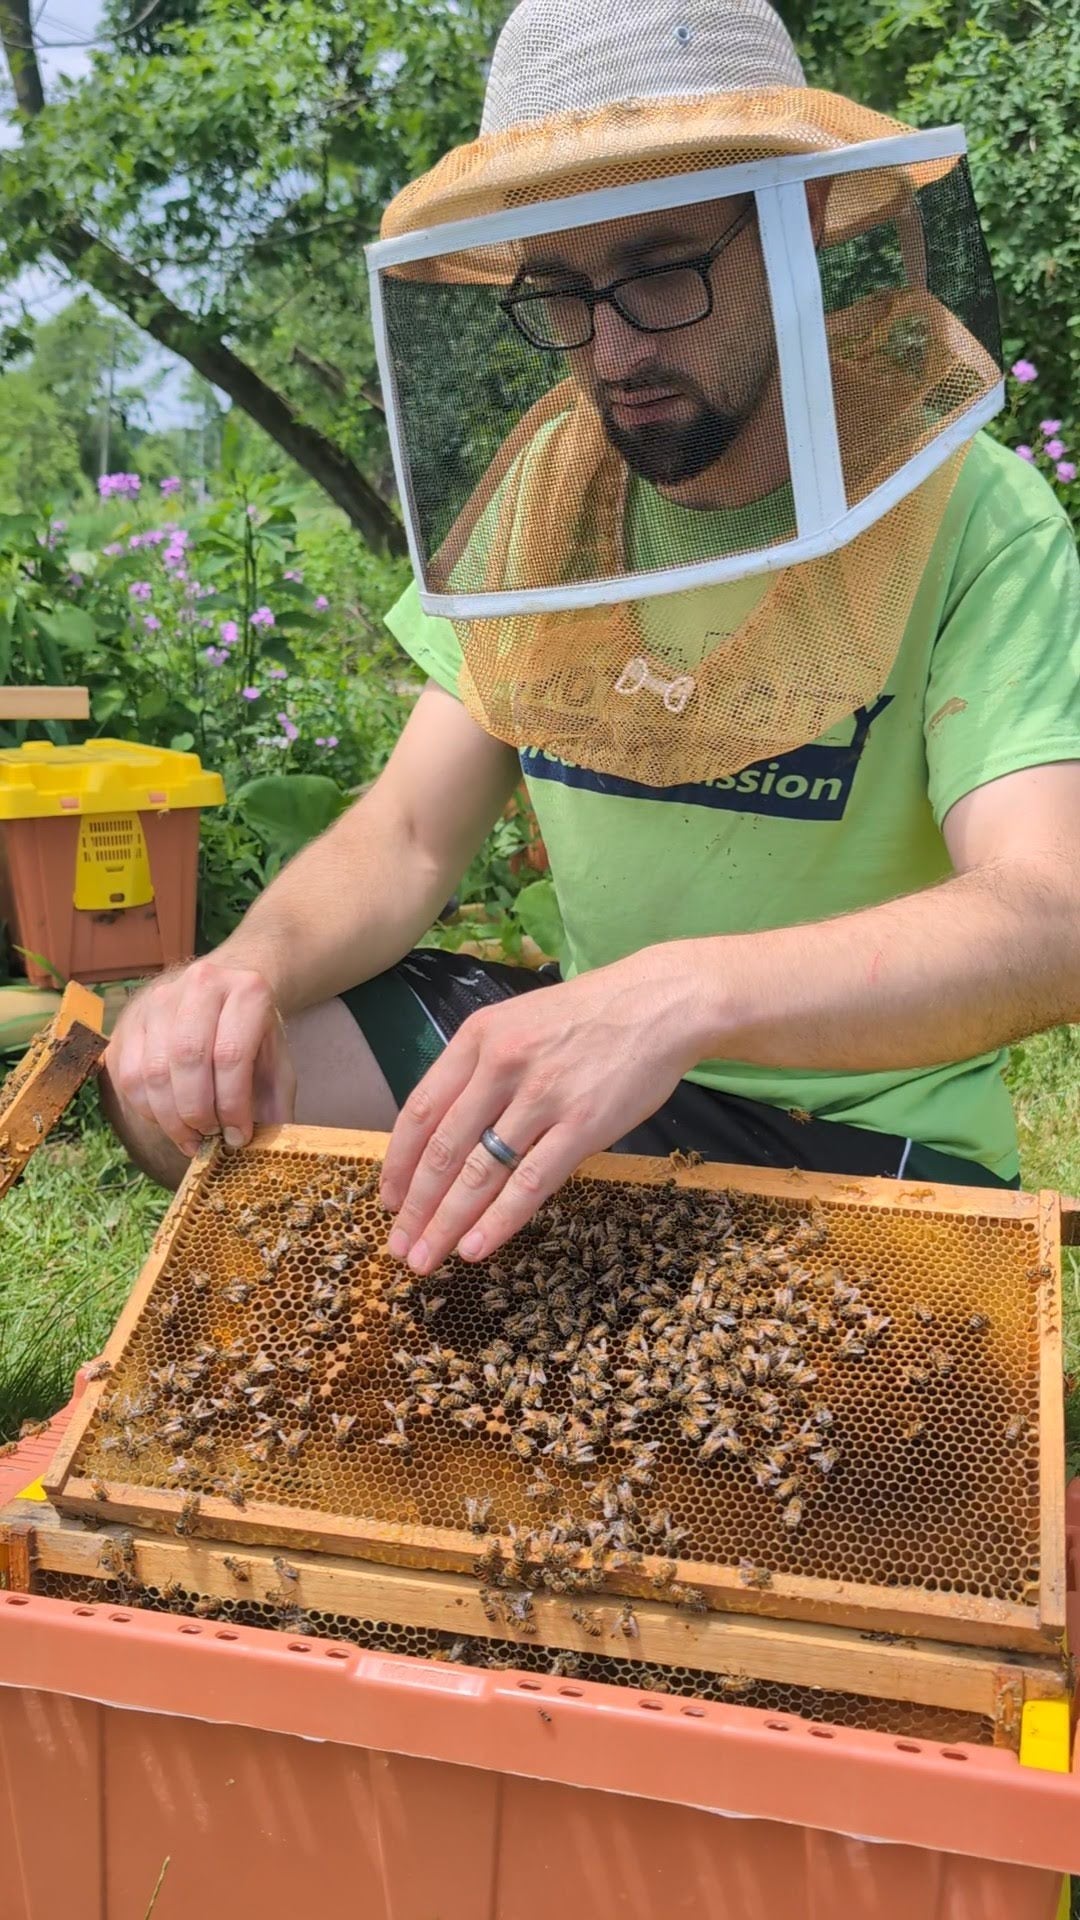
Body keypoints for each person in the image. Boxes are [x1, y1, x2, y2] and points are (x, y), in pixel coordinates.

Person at [103, 0, 1080, 1290]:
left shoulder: (972, 512)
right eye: (563, 292)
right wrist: (241, 968)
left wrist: (680, 997)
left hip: (867, 1131)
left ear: (794, 233)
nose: (615, 349)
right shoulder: (545, 506)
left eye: (663, 269)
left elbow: (1052, 914)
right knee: (189, 1093)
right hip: (591, 1088)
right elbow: (405, 838)